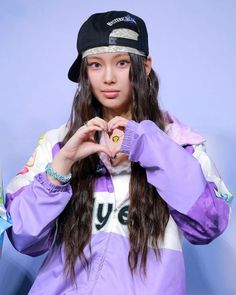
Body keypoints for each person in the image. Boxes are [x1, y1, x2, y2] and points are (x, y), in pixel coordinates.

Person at [6, 10, 233, 295]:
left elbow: (208, 224)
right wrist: (61, 166)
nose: (109, 78)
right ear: (85, 72)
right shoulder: (58, 143)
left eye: (122, 63)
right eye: (96, 65)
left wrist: (146, 145)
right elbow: (23, 238)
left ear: (145, 66)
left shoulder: (180, 145)